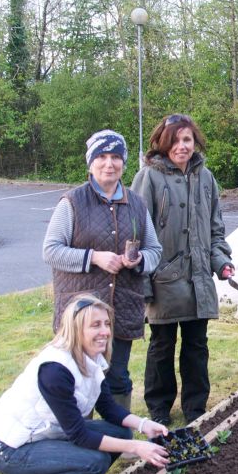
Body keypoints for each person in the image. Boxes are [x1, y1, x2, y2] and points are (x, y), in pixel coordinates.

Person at [0, 295, 169, 474]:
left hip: (45, 434)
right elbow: (79, 435)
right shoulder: (55, 370)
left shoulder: (90, 358)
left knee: (121, 432)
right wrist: (136, 447)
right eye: (95, 325)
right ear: (75, 329)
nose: (105, 332)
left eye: (106, 324)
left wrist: (144, 425)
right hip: (10, 447)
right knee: (94, 463)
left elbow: (108, 407)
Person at [42, 130, 161, 409]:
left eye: (116, 157)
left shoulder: (137, 204)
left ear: (124, 162)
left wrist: (139, 260)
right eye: (102, 157)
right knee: (79, 379)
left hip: (121, 309)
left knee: (117, 378)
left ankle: (122, 442)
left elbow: (155, 251)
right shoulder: (72, 202)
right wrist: (94, 257)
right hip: (80, 313)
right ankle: (81, 443)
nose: (109, 164)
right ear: (90, 163)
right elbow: (51, 250)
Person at [131, 114, 234, 425]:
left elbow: (215, 229)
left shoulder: (206, 178)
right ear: (163, 143)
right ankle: (159, 410)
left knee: (196, 346)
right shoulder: (148, 177)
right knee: (162, 346)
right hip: (162, 278)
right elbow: (135, 232)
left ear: (195, 142)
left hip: (199, 279)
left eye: (187, 139)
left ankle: (195, 409)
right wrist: (143, 282)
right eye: (174, 140)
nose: (181, 146)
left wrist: (222, 262)